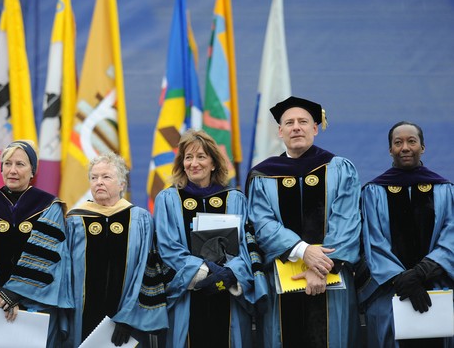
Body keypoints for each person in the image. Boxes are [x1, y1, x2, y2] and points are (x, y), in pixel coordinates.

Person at [246, 96, 361, 348]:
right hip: (284, 281)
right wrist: (303, 251)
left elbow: (347, 221)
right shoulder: (263, 175)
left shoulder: (339, 168)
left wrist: (321, 268)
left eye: (303, 122)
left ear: (315, 128)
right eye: (289, 123)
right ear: (280, 131)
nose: (296, 127)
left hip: (333, 277)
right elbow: (262, 223)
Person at [153, 129, 268, 348]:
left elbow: (247, 246)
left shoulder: (234, 199)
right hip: (187, 297)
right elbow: (167, 247)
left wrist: (230, 273)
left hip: (229, 297)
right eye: (188, 157)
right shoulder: (168, 199)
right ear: (182, 163)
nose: (194, 163)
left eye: (201, 157)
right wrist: (205, 271)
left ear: (213, 163)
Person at [0, 140, 73, 348]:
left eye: (20, 164)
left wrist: (14, 293)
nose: (13, 170)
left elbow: (49, 258)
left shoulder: (49, 207)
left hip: (36, 307)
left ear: (33, 170)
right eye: (7, 163)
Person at [359, 121, 453, 348]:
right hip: (391, 290)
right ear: (390, 149)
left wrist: (421, 272)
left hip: (436, 285)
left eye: (412, 141)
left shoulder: (444, 189)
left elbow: (451, 235)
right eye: (398, 142)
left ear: (423, 147)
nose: (405, 147)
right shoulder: (373, 192)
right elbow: (373, 241)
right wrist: (402, 279)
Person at [65, 151, 167, 347]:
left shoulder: (140, 220)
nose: (99, 182)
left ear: (122, 184)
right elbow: (64, 273)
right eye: (94, 177)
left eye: (106, 177)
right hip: (80, 316)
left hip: (128, 321)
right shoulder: (75, 220)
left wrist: (129, 317)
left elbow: (148, 269)